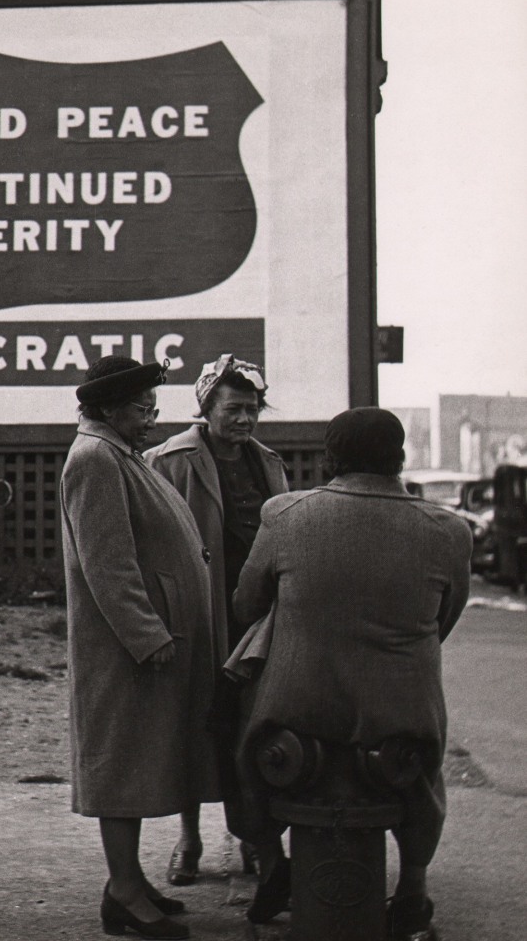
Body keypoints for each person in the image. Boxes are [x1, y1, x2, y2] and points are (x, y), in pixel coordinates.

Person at [229, 407, 472, 935]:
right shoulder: (449, 530)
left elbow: (247, 605)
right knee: (423, 778)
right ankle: (412, 887)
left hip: (297, 716)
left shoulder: (285, 515)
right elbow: (442, 619)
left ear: (329, 459)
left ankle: (272, 865)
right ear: (400, 458)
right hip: (401, 717)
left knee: (244, 749)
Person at [60, 355, 219, 940]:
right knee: (121, 767)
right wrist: (148, 636)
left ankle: (127, 882)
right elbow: (108, 564)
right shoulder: (96, 459)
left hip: (142, 645)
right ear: (106, 408)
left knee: (137, 761)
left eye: (154, 406)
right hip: (124, 652)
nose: (152, 418)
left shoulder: (116, 452)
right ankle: (124, 892)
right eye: (140, 408)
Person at [144, 353, 289, 885]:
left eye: (253, 408)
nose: (245, 419)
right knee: (195, 723)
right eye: (234, 408)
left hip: (254, 618)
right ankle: (189, 839)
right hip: (196, 613)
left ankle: (253, 835)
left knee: (250, 727)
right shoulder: (169, 460)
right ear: (206, 407)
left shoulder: (268, 463)